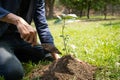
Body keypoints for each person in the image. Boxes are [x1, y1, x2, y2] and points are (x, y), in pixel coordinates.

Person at [0, 0, 60, 80]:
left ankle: (12, 54)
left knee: (47, 56)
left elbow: (42, 26)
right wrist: (17, 20)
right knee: (13, 72)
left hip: (20, 38)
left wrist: (57, 57)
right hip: (1, 38)